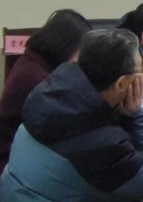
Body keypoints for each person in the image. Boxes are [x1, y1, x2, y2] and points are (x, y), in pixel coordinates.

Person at [0, 29, 143, 201]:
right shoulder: (102, 143)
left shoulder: (47, 92)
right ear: (120, 83)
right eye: (140, 74)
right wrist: (137, 113)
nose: (141, 79)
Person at [0, 9, 91, 174]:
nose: (78, 58)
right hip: (11, 160)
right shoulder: (36, 77)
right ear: (65, 45)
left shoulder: (34, 62)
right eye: (79, 50)